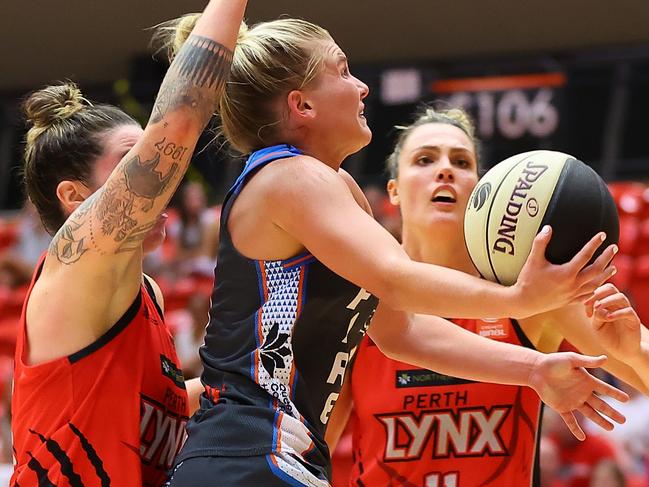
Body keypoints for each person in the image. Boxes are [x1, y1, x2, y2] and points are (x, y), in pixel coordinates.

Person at [161, 15, 621, 487]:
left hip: (271, 457)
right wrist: (518, 299)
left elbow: (402, 333)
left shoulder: (335, 187)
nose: (361, 86)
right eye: (342, 71)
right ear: (302, 105)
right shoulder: (289, 176)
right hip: (247, 451)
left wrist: (534, 369)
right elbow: (395, 278)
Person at [327, 106, 649, 486]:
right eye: (425, 159)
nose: (445, 170)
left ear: (482, 188)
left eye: (461, 162)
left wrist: (633, 352)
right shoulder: (363, 303)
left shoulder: (527, 293)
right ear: (393, 190)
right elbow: (319, 444)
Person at [10, 1, 247, 485]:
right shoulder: (73, 265)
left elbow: (161, 408)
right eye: (129, 158)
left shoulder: (147, 293)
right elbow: (178, 123)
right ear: (74, 198)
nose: (163, 174)